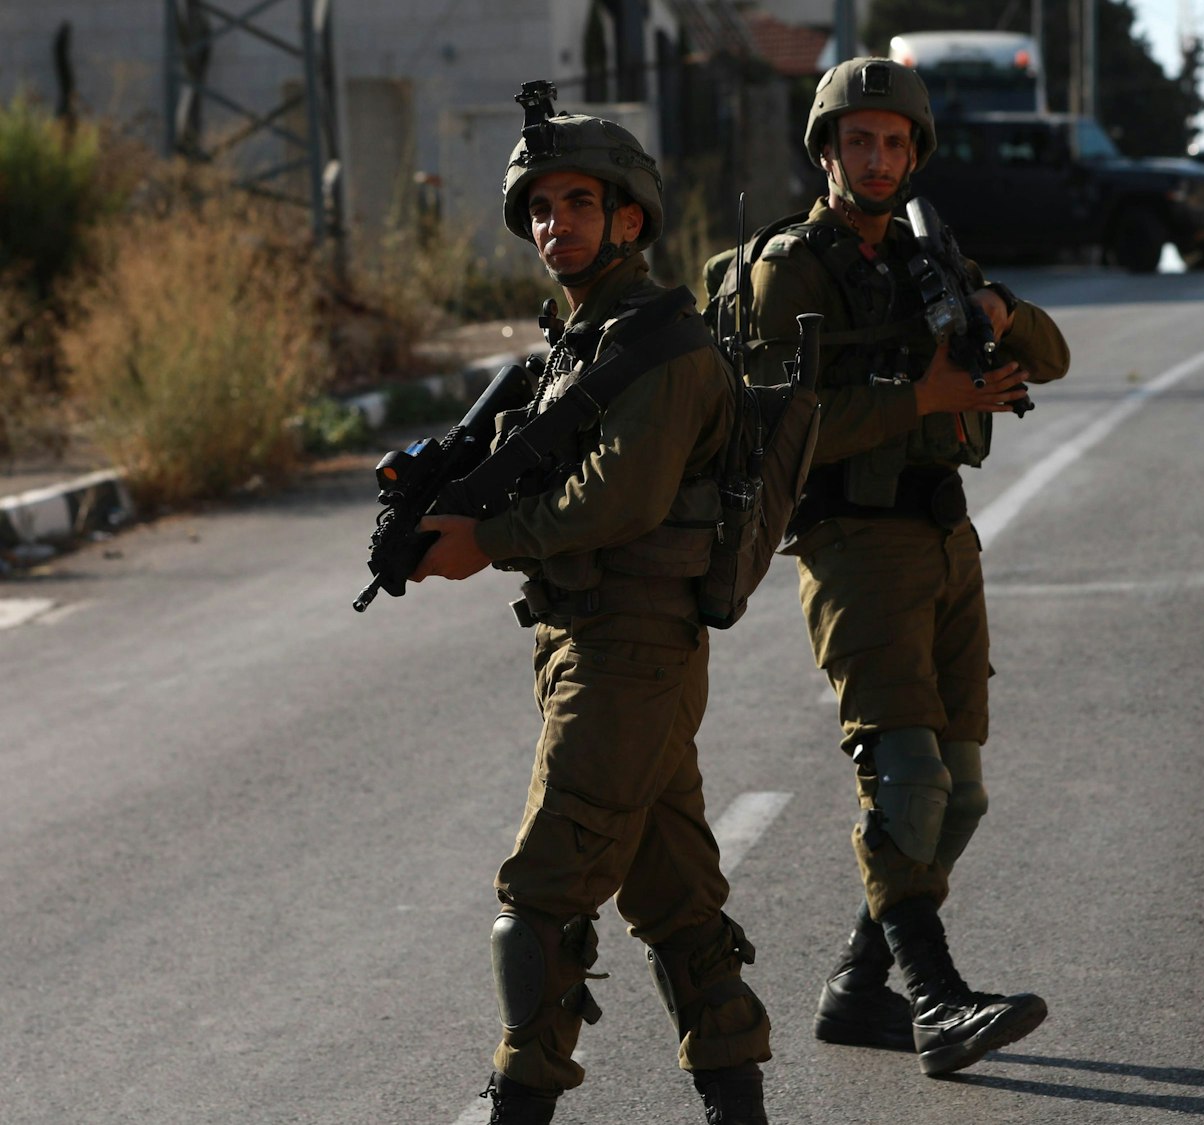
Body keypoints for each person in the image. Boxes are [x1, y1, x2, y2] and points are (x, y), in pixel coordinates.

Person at [410, 92, 771, 1124]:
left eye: (578, 202)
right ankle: (735, 1103)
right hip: (595, 644)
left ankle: (519, 1099)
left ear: (631, 218)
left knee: (542, 893)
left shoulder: (660, 350)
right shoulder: (585, 341)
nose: (553, 223)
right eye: (538, 207)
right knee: (673, 897)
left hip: (630, 651)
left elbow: (622, 498)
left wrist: (490, 543)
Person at [740, 57, 1070, 1078]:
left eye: (892, 142)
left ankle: (856, 989)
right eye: (856, 141)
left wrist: (995, 317)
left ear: (913, 154)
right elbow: (771, 426)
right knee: (906, 777)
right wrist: (920, 400)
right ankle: (933, 1000)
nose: (875, 159)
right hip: (851, 539)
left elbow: (1050, 356)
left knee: (956, 796)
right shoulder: (788, 268)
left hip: (941, 540)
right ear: (825, 151)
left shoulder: (927, 261)